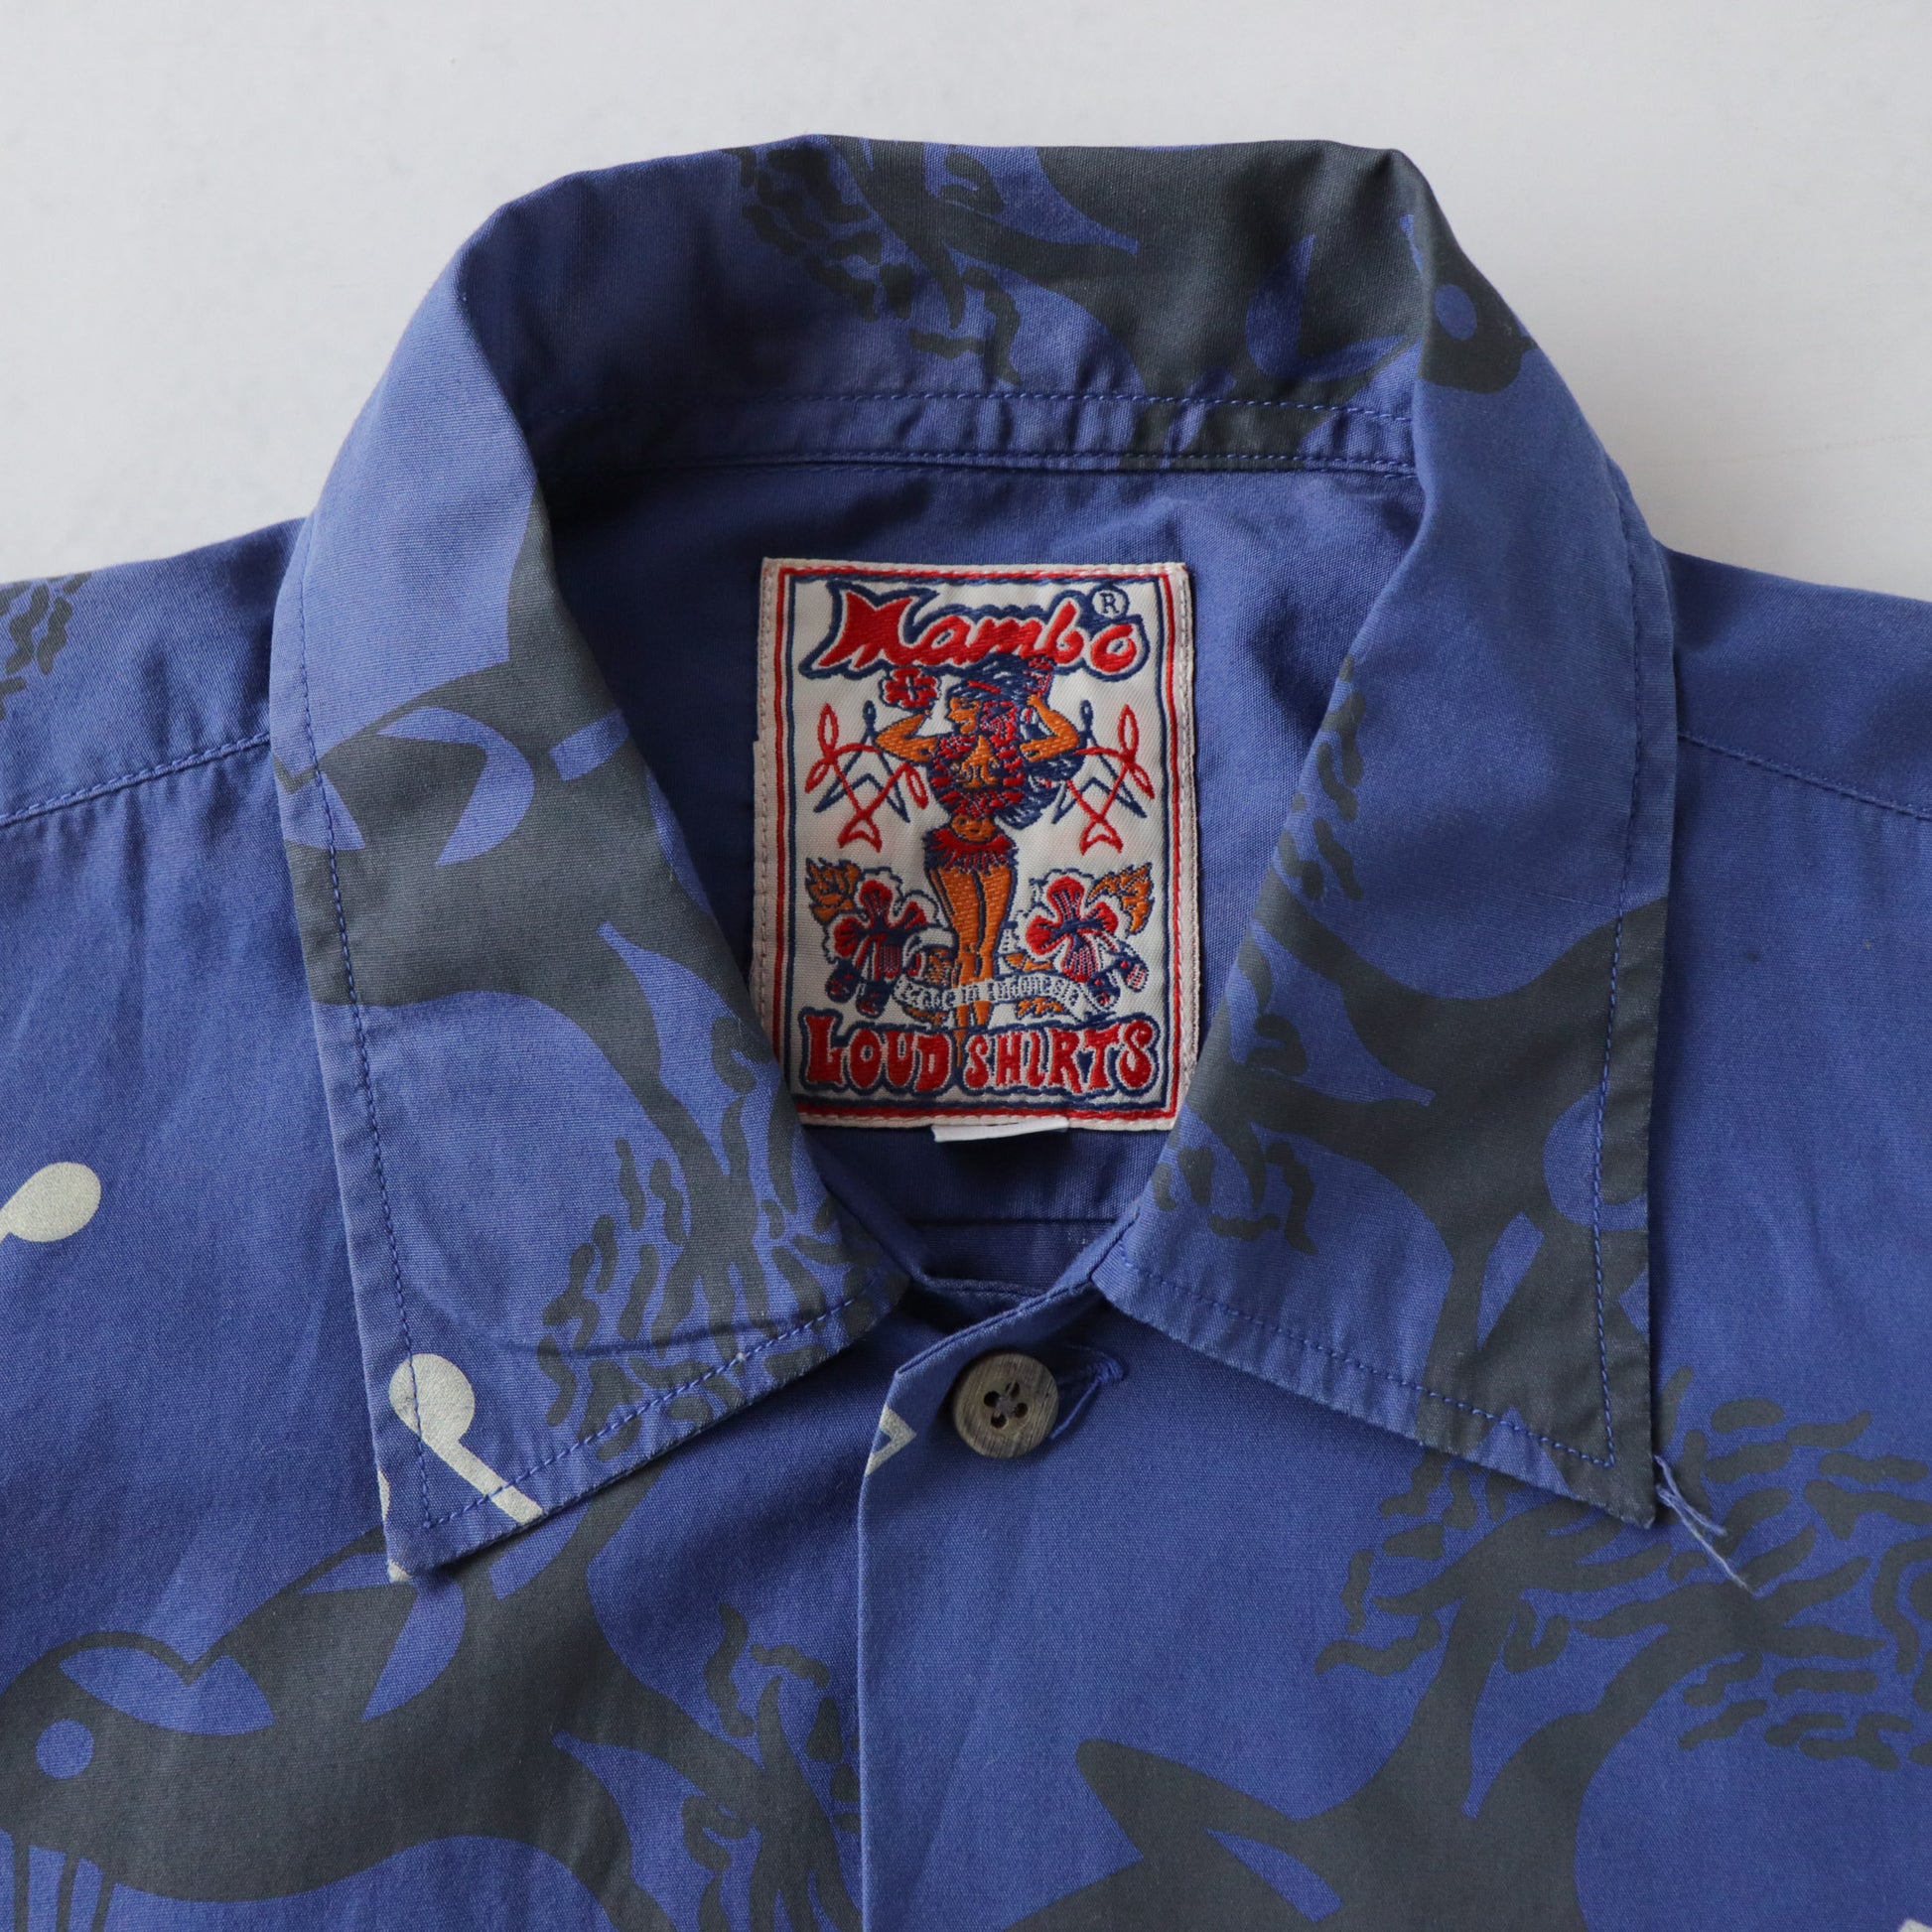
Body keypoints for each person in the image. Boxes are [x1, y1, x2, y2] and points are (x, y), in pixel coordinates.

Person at [876, 656, 1079, 1030]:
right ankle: (961, 1032)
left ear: (984, 710)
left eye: (959, 709)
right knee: (967, 945)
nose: (952, 716)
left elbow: (1067, 739)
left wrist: (1037, 704)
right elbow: (888, 741)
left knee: (988, 947)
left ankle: (980, 1031)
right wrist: (921, 712)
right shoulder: (942, 747)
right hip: (952, 851)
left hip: (994, 851)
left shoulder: (1012, 752)